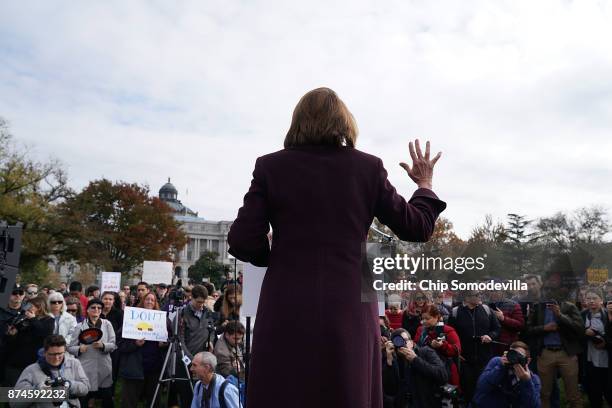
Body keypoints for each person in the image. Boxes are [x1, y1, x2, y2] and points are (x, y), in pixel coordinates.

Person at [227, 87, 446, 408]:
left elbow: (243, 240)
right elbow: (417, 226)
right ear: (345, 123)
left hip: (285, 306)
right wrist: (424, 185)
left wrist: (276, 258)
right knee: (346, 390)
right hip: (350, 310)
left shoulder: (270, 167)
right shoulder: (368, 168)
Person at [522, 288, 583, 408]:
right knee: (544, 393)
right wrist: (544, 328)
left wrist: (560, 315)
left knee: (573, 394)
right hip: (545, 353)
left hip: (567, 354)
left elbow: (579, 328)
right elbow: (527, 330)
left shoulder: (569, 307)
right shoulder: (537, 307)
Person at [448, 290, 501, 404]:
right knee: (468, 392)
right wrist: (456, 353)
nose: (479, 297)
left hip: (485, 359)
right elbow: (450, 334)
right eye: (476, 295)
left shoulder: (486, 310)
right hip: (465, 360)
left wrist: (490, 336)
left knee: (484, 391)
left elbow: (497, 329)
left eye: (479, 294)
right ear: (466, 298)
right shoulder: (455, 312)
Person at [118, 292, 168, 408]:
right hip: (134, 368)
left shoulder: (163, 321)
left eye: (152, 300)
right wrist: (134, 343)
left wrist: (164, 344)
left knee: (154, 401)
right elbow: (120, 344)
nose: (150, 302)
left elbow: (170, 340)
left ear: (156, 303)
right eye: (147, 299)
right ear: (142, 301)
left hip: (154, 368)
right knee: (129, 402)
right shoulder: (130, 318)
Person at [170, 284, 217, 407]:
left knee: (202, 395)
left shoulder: (207, 313)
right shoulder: (181, 314)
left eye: (203, 302)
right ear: (191, 298)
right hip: (185, 361)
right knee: (187, 395)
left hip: (203, 361)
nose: (201, 305)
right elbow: (180, 340)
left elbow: (211, 330)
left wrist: (211, 341)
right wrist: (192, 360)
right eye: (198, 302)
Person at [12, 334, 90, 408]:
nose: (56, 358)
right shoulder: (31, 370)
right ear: (45, 352)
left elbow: (86, 388)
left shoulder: (74, 363)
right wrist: (37, 391)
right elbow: (14, 403)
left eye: (60, 354)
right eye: (52, 354)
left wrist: (69, 385)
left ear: (65, 351)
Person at [68, 298, 117, 408]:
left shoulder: (107, 324)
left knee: (107, 397)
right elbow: (70, 347)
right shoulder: (80, 326)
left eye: (99, 308)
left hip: (104, 367)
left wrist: (103, 345)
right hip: (85, 368)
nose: (96, 309)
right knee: (84, 397)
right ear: (88, 310)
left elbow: (113, 345)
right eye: (93, 307)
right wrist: (79, 349)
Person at [382, 328, 449, 408]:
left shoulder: (425, 352)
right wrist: (389, 360)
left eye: (406, 340)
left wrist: (415, 360)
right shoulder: (394, 361)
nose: (404, 344)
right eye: (399, 341)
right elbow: (389, 391)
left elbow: (443, 375)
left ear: (411, 342)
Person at [3, 296, 55, 387]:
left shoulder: (48, 320)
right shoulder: (24, 318)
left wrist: (33, 319)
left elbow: (43, 333)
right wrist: (12, 334)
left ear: (39, 307)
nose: (28, 307)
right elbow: (17, 337)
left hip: (33, 360)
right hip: (16, 358)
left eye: (31, 305)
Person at [472, 341, 541, 408]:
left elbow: (533, 405)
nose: (513, 358)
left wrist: (526, 381)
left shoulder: (533, 378)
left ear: (528, 361)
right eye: (511, 354)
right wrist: (501, 367)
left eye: (519, 356)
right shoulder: (497, 362)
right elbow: (481, 387)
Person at [414, 304, 461, 387]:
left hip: (445, 370)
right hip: (425, 368)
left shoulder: (446, 330)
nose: (424, 321)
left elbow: (456, 350)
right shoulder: (421, 330)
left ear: (436, 317)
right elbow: (417, 345)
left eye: (427, 318)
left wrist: (442, 346)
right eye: (422, 319)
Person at [580, 289, 612, 408]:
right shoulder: (582, 316)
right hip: (590, 360)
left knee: (609, 390)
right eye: (588, 298)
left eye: (594, 298)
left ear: (601, 300)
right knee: (594, 391)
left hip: (607, 361)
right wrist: (585, 333)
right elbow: (576, 334)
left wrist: (605, 343)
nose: (591, 301)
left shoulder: (608, 315)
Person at [0, 286, 26, 385]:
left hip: (17, 351)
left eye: (20, 293)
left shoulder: (26, 312)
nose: (18, 296)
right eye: (14, 293)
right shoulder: (1, 309)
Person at [488, 287, 525, 356]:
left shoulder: (513, 305)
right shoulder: (485, 305)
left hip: (507, 346)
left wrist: (503, 318)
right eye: (491, 291)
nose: (493, 293)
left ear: (502, 291)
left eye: (496, 290)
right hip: (490, 345)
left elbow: (520, 325)